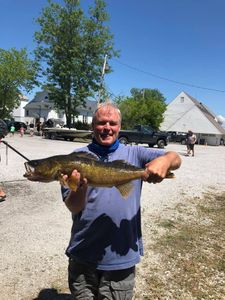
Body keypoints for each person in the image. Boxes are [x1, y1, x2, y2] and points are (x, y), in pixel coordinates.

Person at [61, 103, 181, 299]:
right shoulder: (74, 159)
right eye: (101, 123)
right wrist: (79, 188)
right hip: (83, 254)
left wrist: (165, 161)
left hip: (121, 257)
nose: (107, 127)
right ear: (92, 126)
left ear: (119, 126)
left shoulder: (135, 154)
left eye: (112, 123)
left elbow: (175, 157)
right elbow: (73, 207)